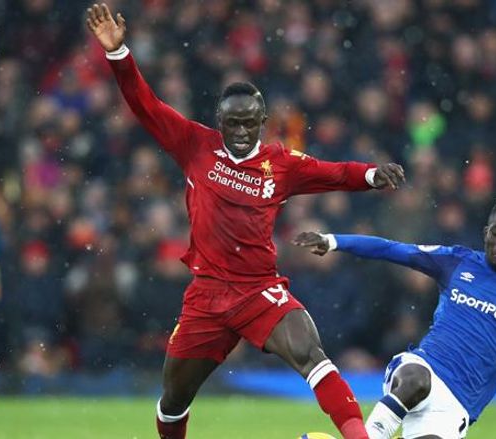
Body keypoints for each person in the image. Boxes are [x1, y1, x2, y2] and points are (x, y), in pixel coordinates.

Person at [85, 4, 406, 439]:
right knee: (174, 399)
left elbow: (334, 173)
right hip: (206, 295)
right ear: (220, 121)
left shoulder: (281, 164)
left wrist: (371, 175)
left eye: (249, 124)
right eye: (233, 123)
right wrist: (118, 54)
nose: (240, 132)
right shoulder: (195, 145)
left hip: (258, 290)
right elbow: (145, 105)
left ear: (263, 123)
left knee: (311, 354)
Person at [294, 198, 496, 439]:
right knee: (415, 381)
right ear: (486, 232)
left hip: (456, 407)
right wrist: (333, 241)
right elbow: (391, 249)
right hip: (423, 368)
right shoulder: (456, 261)